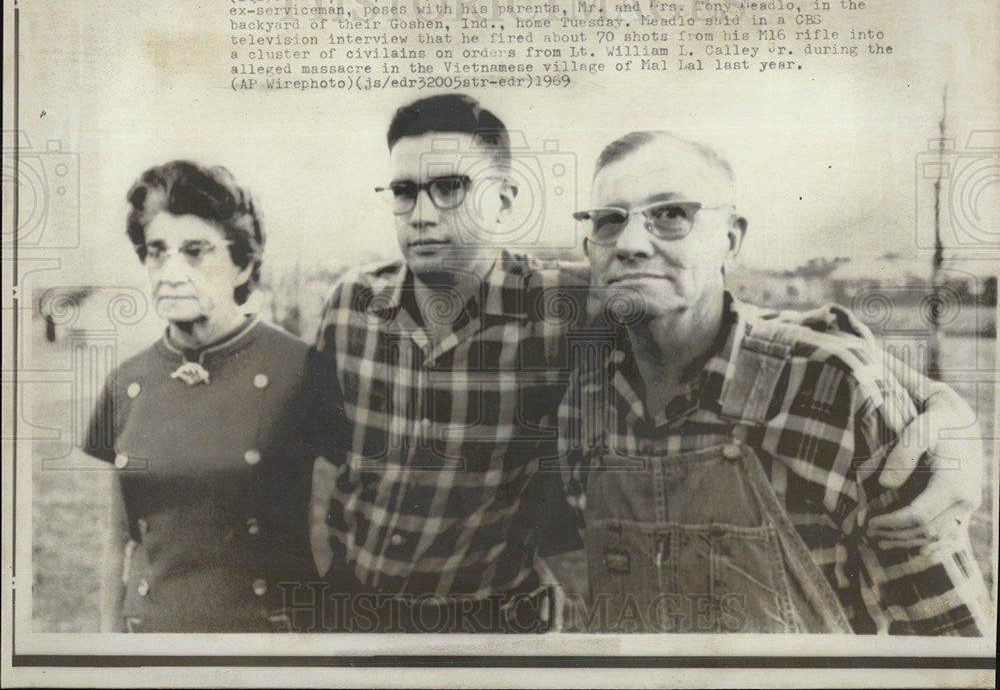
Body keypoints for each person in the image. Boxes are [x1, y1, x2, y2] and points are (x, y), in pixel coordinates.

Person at [313, 95, 982, 633]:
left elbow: (747, 330)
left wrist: (943, 413)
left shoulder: (562, 306)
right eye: (404, 191)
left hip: (494, 629)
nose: (423, 213)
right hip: (359, 614)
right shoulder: (351, 306)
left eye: (451, 188)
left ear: (505, 199)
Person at [558, 131, 993, 634]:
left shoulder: (833, 389)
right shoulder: (585, 399)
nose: (631, 244)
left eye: (672, 214)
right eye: (610, 220)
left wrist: (951, 410)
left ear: (732, 238)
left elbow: (953, 648)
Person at [84, 160, 343, 632]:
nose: (171, 271)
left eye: (196, 251)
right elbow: (117, 539)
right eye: (157, 252)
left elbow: (342, 526)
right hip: (151, 640)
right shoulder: (126, 382)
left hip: (266, 642)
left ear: (242, 262)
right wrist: (108, 648)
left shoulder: (301, 369)